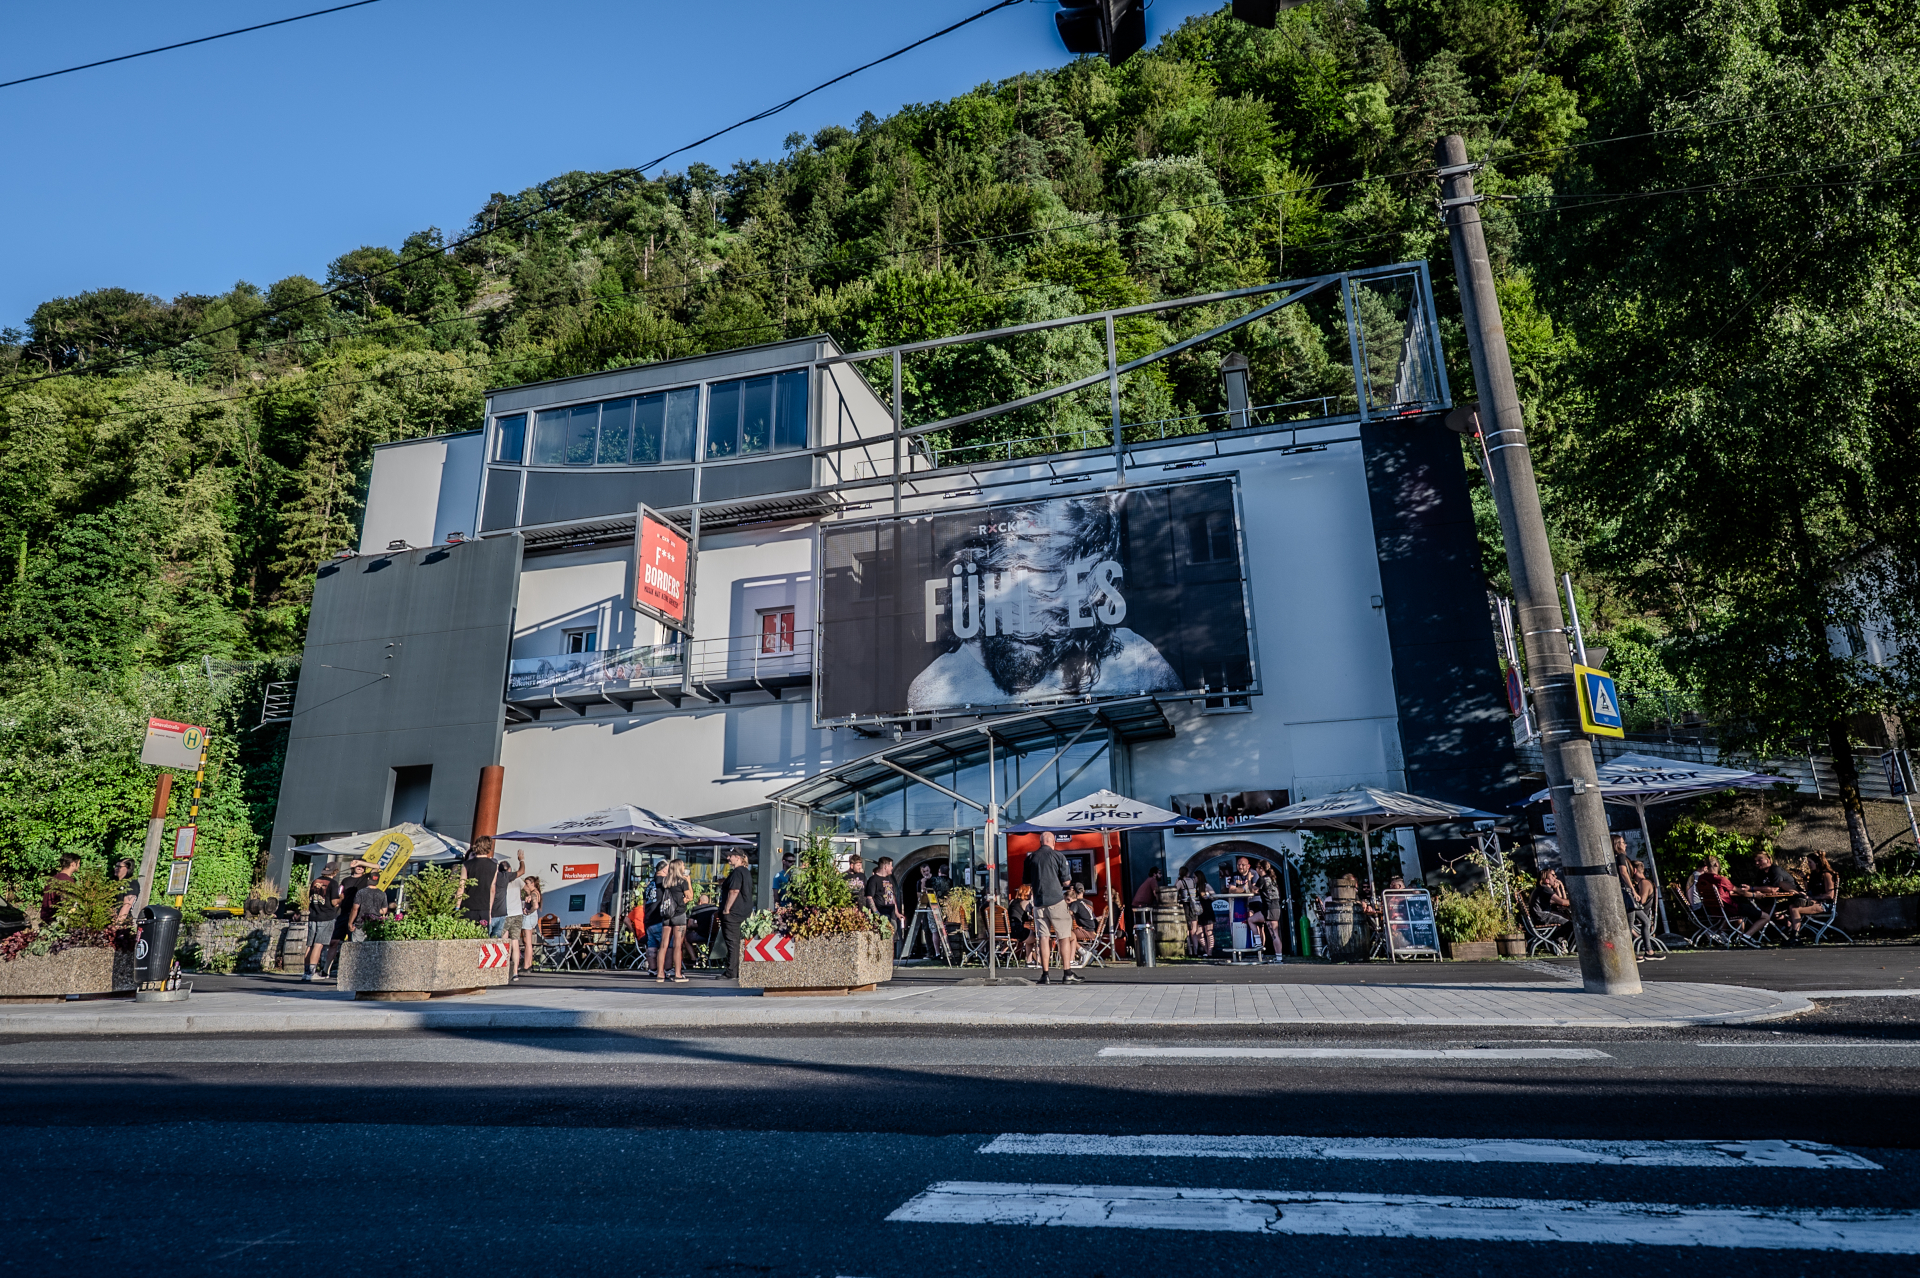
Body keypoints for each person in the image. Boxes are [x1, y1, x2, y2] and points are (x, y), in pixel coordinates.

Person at [905, 493, 1183, 710]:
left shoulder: (1138, 664)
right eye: (1011, 584)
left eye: (1055, 608)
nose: (1027, 624)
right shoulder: (934, 688)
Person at [1027, 831, 1081, 984]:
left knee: (1043, 937)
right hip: (1056, 901)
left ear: (1040, 841)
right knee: (1063, 937)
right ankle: (1067, 973)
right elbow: (1066, 882)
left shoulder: (1031, 857)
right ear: (1053, 842)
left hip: (1038, 903)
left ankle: (1045, 974)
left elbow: (1026, 881)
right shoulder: (1058, 856)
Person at [325, 861, 375, 973]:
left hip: (358, 915)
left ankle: (351, 971)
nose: (360, 868)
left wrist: (361, 862)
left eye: (362, 867)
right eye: (358, 866)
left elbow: (377, 867)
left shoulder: (366, 878)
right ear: (353, 867)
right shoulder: (346, 880)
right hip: (343, 913)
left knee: (353, 943)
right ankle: (326, 969)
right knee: (334, 942)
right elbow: (340, 893)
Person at [491, 846, 527, 977]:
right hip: (517, 914)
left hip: (504, 913)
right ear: (509, 870)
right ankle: (515, 972)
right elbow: (523, 873)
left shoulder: (497, 879)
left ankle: (503, 970)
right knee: (515, 943)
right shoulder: (514, 878)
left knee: (504, 942)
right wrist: (521, 859)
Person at [719, 848, 754, 981]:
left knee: (732, 942)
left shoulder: (737, 872)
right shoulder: (745, 872)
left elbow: (734, 891)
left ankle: (731, 971)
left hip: (733, 913)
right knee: (738, 941)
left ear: (738, 858)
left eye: (730, 856)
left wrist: (726, 909)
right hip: (743, 911)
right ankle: (737, 969)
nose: (728, 858)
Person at [654, 859, 691, 983]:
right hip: (679, 915)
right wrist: (689, 882)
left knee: (663, 945)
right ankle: (678, 974)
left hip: (667, 914)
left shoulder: (666, 881)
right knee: (677, 946)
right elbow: (689, 896)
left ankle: (660, 974)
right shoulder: (682, 881)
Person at [303, 862, 339, 982]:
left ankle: (306, 972)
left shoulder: (315, 881)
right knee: (318, 944)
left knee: (310, 944)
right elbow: (334, 902)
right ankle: (312, 973)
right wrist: (342, 898)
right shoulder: (333, 883)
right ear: (335, 872)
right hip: (326, 916)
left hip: (313, 915)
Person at [866, 856, 905, 955]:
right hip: (881, 912)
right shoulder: (873, 880)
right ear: (885, 866)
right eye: (891, 866)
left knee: (892, 935)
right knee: (883, 935)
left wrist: (897, 913)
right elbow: (869, 897)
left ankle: (888, 957)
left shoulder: (890, 879)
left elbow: (892, 896)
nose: (892, 868)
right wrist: (876, 912)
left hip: (891, 912)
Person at [1255, 861, 1286, 964]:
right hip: (1275, 907)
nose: (1256, 870)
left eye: (1257, 868)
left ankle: (1278, 957)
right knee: (1252, 920)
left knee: (1274, 934)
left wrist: (1250, 881)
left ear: (1261, 869)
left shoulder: (1262, 879)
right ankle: (1278, 957)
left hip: (1269, 908)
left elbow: (1253, 890)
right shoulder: (1272, 878)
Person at [40, 852, 80, 924]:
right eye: (79, 863)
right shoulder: (67, 881)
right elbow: (66, 902)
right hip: (58, 921)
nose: (79, 866)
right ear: (73, 864)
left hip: (46, 920)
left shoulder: (51, 879)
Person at [520, 876, 544, 973]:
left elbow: (535, 905)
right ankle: (529, 963)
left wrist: (529, 911)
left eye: (527, 883)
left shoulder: (534, 893)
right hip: (533, 917)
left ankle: (526, 965)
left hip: (529, 917)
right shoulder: (535, 893)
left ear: (532, 884)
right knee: (528, 942)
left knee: (527, 942)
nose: (525, 886)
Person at [1006, 884, 1035, 963]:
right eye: (1030, 892)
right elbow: (1034, 914)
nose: (1031, 894)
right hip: (1018, 931)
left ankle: (1029, 960)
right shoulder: (1025, 903)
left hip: (1010, 931)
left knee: (1030, 933)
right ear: (1025, 892)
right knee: (1038, 937)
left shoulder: (1012, 902)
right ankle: (1037, 960)